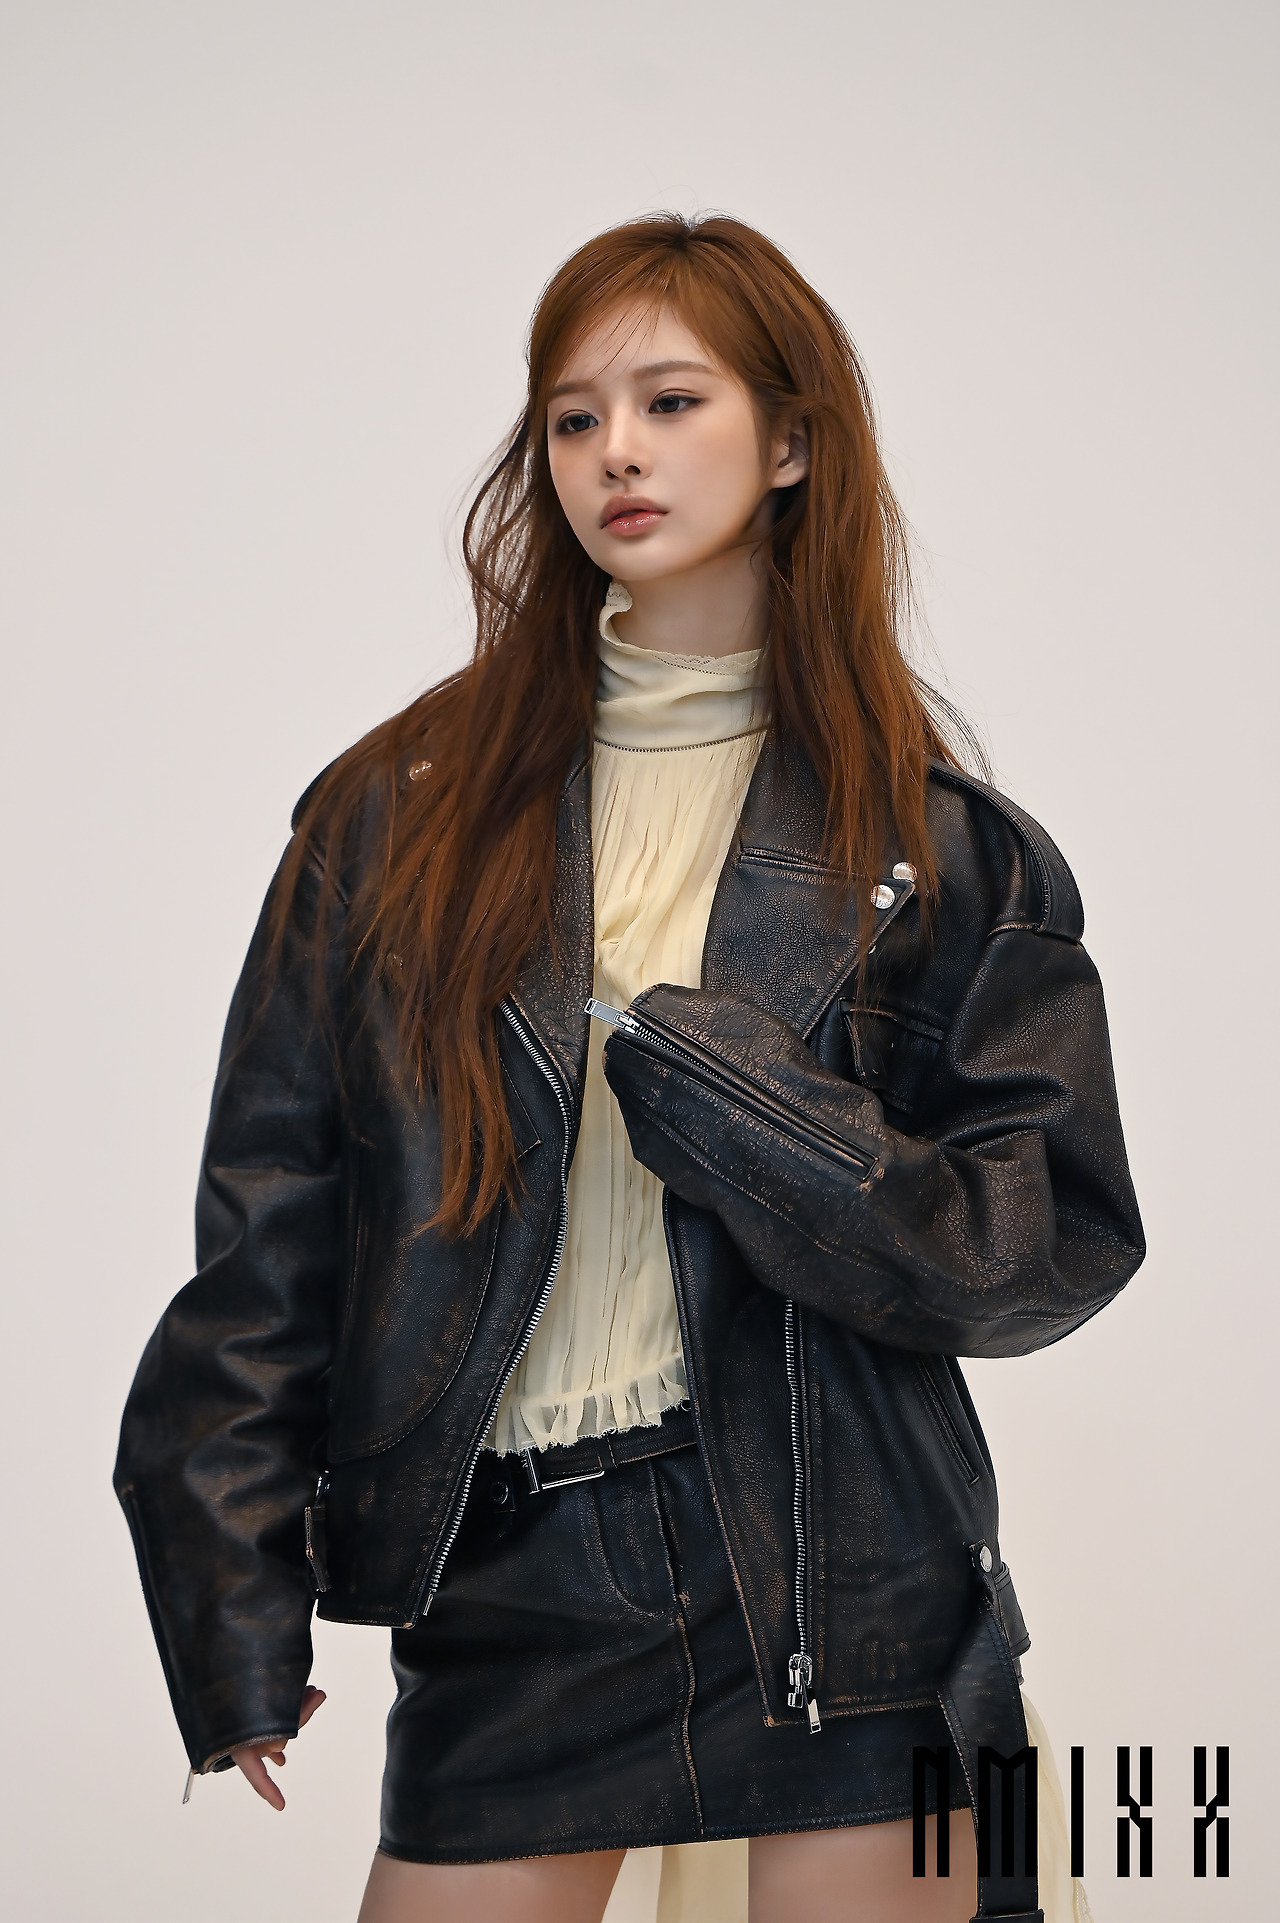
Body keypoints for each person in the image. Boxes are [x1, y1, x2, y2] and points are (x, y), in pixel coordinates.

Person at [115, 213, 1144, 1923]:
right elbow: (275, 1218)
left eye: (671, 402)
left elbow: (1043, 1250)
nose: (617, 454)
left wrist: (773, 1129)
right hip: (504, 1579)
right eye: (575, 418)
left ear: (791, 440)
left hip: (844, 1580)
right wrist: (225, 1587)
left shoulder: (939, 847)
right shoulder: (396, 814)